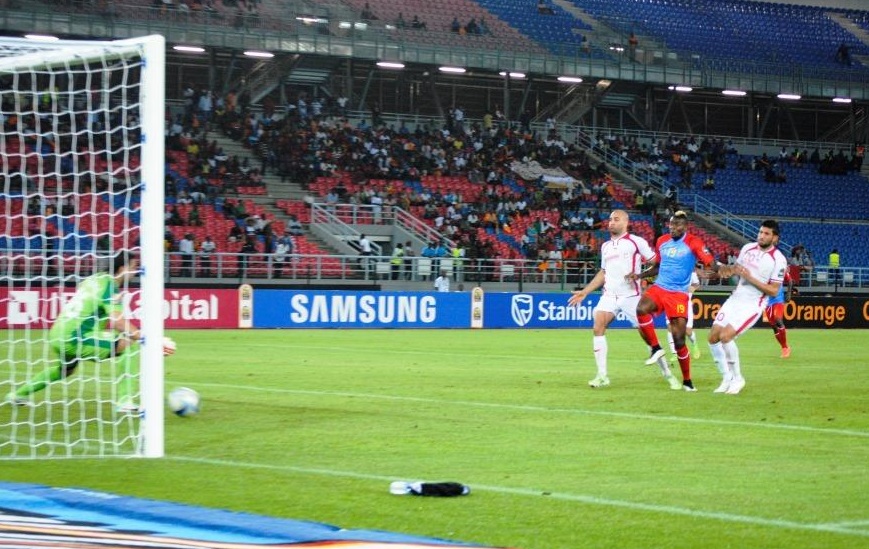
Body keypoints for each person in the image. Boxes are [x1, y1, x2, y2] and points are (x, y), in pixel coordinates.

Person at [4, 252, 164, 412]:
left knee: (65, 370)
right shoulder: (110, 286)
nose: (136, 272)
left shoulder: (95, 279)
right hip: (76, 337)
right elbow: (118, 323)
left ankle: (18, 394)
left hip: (58, 333)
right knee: (128, 344)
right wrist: (147, 339)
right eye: (134, 267)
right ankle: (125, 401)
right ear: (122, 268)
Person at [568, 210, 679, 389]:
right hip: (609, 295)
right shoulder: (605, 246)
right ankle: (602, 376)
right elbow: (603, 272)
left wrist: (642, 276)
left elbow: (657, 263)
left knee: (647, 337)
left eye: (616, 219)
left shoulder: (636, 242)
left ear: (626, 223)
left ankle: (668, 374)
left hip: (631, 296)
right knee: (598, 327)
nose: (611, 222)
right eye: (610, 219)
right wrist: (585, 291)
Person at [629, 210, 721, 392]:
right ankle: (656, 348)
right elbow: (657, 266)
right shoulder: (662, 241)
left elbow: (712, 264)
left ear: (685, 227)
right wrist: (640, 275)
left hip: (678, 294)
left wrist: (710, 270)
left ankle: (687, 381)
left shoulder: (693, 242)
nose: (672, 228)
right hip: (660, 287)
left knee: (679, 341)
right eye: (671, 224)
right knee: (641, 309)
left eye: (677, 225)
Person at [707, 220, 787, 395]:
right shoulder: (747, 248)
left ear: (775, 238)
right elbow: (737, 270)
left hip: (753, 304)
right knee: (713, 337)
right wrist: (723, 271)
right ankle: (726, 378)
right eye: (760, 232)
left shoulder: (779, 260)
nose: (761, 236)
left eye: (766, 233)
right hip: (736, 298)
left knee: (726, 336)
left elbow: (774, 291)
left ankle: (738, 379)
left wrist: (750, 278)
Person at [665, 267, 702, 362]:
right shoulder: (669, 270)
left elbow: (697, 285)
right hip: (671, 303)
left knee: (687, 331)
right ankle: (674, 353)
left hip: (685, 304)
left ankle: (694, 344)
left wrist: (693, 288)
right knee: (670, 327)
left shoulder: (690, 271)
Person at [765, 247, 793, 359]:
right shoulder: (764, 272)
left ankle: (785, 347)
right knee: (774, 327)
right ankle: (784, 347)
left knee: (778, 320)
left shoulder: (780, 269)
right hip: (768, 302)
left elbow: (790, 280)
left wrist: (789, 294)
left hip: (778, 300)